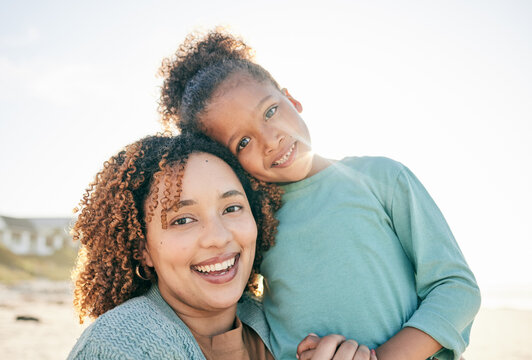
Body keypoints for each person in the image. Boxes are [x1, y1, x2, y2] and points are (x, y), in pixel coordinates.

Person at [158, 29, 482, 360]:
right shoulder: (251, 224)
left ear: (291, 99)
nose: (270, 140)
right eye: (243, 142)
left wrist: (384, 357)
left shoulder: (381, 178)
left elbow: (456, 289)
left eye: (270, 111)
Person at [68, 132, 377, 360]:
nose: (217, 236)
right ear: (142, 248)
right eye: (183, 220)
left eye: (232, 209)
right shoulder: (117, 345)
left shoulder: (278, 326)